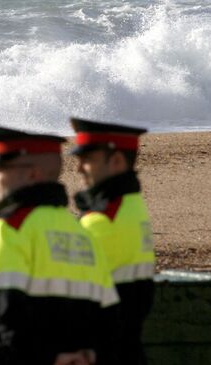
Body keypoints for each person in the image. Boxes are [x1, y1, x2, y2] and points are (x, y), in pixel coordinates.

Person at [0, 126, 119, 365]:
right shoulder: (82, 234)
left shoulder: (11, 230)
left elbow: (4, 318)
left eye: (2, 168)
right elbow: (108, 322)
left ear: (32, 175)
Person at [69, 118, 156, 365]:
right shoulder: (132, 206)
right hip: (125, 347)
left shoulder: (102, 221)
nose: (79, 168)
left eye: (88, 159)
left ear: (116, 161)